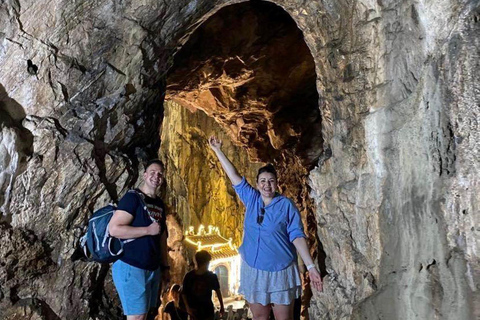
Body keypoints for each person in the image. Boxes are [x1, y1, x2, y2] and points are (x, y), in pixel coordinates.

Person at [208, 136, 323, 320]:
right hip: (254, 270)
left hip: (281, 270)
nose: (267, 185)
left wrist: (310, 266)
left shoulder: (286, 205)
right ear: (257, 183)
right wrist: (217, 150)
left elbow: (297, 236)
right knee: (260, 317)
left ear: (277, 183)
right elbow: (234, 176)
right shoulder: (252, 199)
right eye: (263, 181)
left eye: (271, 181)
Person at [109, 159, 171, 320]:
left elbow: (162, 237)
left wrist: (165, 267)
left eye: (160, 174)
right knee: (137, 316)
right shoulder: (132, 198)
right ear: (144, 175)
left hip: (152, 268)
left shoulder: (159, 204)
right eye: (152, 172)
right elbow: (114, 229)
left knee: (148, 314)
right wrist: (147, 230)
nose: (156, 176)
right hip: (131, 266)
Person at [182, 250, 225, 320]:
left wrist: (222, 306)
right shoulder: (189, 276)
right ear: (205, 263)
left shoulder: (211, 276)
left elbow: (218, 291)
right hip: (194, 312)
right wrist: (188, 308)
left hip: (207, 311)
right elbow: (184, 293)